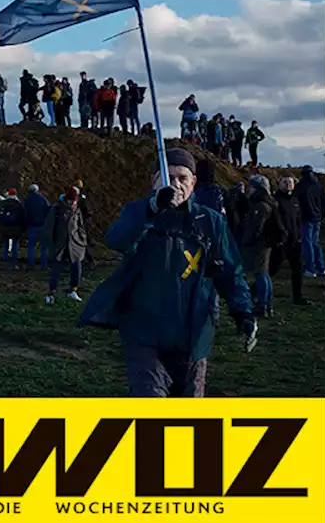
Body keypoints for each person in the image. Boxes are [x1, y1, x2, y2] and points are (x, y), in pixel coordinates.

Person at [79, 148, 255, 398]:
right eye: (167, 177)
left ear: (193, 183)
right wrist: (152, 208)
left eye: (183, 178)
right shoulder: (138, 212)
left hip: (193, 334)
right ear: (154, 181)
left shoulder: (210, 221)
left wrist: (242, 310)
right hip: (145, 331)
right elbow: (117, 239)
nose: (176, 185)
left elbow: (231, 271)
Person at [241, 174, 280, 317]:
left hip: (260, 244)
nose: (248, 189)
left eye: (251, 186)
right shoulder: (268, 202)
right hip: (265, 243)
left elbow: (257, 226)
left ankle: (263, 304)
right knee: (264, 274)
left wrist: (248, 240)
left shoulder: (261, 205)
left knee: (261, 274)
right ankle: (266, 304)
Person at [271, 176, 311, 306]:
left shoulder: (295, 200)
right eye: (285, 182)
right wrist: (279, 237)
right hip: (282, 242)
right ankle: (254, 292)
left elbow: (298, 220)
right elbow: (276, 221)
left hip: (295, 241)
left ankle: (298, 297)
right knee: (272, 269)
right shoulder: (276, 200)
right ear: (279, 184)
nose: (288, 184)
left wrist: (299, 235)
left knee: (297, 269)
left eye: (290, 182)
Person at [43, 186, 87, 303]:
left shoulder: (77, 210)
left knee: (76, 269)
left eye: (74, 201)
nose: (73, 203)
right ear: (66, 199)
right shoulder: (56, 209)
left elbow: (81, 227)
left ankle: (73, 290)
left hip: (75, 244)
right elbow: (49, 228)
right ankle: (51, 293)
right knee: (56, 271)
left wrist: (83, 240)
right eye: (71, 200)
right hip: (59, 245)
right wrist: (51, 244)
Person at [295, 164, 325, 277]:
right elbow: (324, 201)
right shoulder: (318, 185)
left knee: (307, 243)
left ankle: (310, 269)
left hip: (306, 217)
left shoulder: (301, 186)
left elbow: (296, 199)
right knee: (315, 242)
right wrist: (322, 215)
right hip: (317, 218)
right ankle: (321, 268)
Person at [0, 189, 26, 268]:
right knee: (15, 244)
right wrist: (22, 227)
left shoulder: (3, 203)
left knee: (6, 244)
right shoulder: (18, 204)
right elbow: (22, 217)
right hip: (16, 227)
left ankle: (5, 259)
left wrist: (0, 225)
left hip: (5, 227)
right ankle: (14, 260)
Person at [23, 184, 51, 270]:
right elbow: (48, 210)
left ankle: (31, 265)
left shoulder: (27, 200)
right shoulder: (43, 199)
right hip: (42, 225)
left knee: (31, 246)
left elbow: (24, 213)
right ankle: (44, 265)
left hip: (31, 226)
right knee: (44, 247)